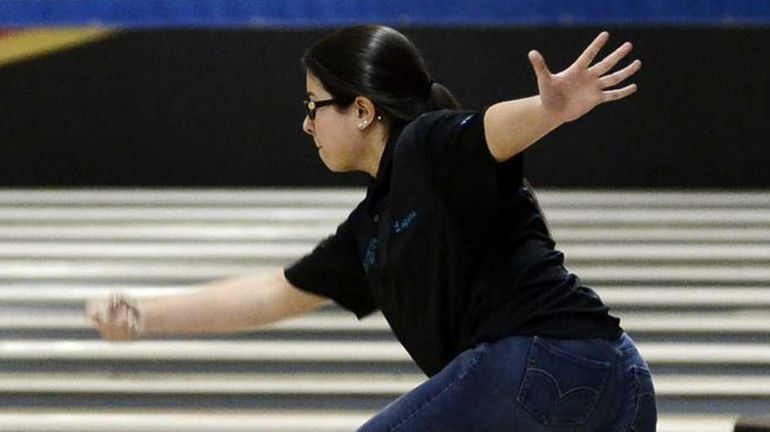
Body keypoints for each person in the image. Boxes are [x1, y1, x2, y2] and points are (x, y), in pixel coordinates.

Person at [87, 25, 656, 431]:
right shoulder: (370, 231)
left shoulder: (426, 147)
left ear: (362, 110)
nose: (306, 124)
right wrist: (143, 316)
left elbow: (487, 132)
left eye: (315, 106)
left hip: (544, 367)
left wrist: (547, 111)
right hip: (619, 383)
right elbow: (272, 294)